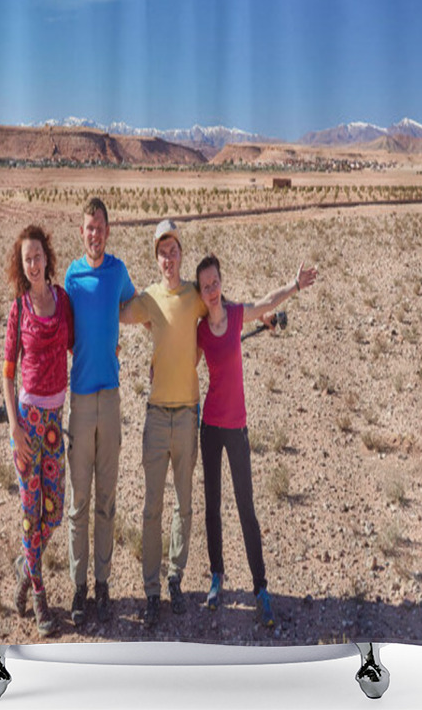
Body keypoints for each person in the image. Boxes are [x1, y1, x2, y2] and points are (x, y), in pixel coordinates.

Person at [195, 254, 317, 627]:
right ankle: (217, 576)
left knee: (246, 506)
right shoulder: (200, 330)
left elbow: (267, 301)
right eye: (205, 286)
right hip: (210, 426)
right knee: (212, 505)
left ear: (221, 282)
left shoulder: (235, 316)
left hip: (236, 427)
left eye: (215, 282)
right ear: (200, 293)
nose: (212, 290)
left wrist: (294, 286)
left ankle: (260, 586)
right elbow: (186, 363)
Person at [119, 219, 207, 629]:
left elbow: (226, 312)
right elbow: (115, 314)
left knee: (184, 506)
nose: (168, 258)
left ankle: (176, 577)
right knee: (152, 507)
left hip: (188, 414)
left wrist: (274, 307)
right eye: (162, 252)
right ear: (155, 259)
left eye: (173, 251)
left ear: (181, 255)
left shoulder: (195, 295)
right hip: (157, 418)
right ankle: (151, 590)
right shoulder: (148, 300)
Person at [64, 198, 136, 626]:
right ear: (82, 232)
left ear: (109, 231)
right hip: (78, 400)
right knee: (79, 502)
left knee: (106, 499)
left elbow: (132, 307)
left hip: (110, 399)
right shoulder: (71, 276)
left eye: (101, 227)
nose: (95, 234)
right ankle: (78, 588)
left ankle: (104, 585)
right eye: (89, 228)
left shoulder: (118, 272)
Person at [2, 225, 74, 638]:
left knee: (54, 511)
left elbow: (75, 345)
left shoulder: (62, 300)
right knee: (31, 514)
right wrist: (14, 426)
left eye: (38, 256)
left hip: (55, 422)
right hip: (28, 423)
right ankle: (39, 597)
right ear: (22, 263)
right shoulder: (19, 309)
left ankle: (24, 567)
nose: (33, 264)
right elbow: (7, 373)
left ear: (47, 257)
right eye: (26, 258)